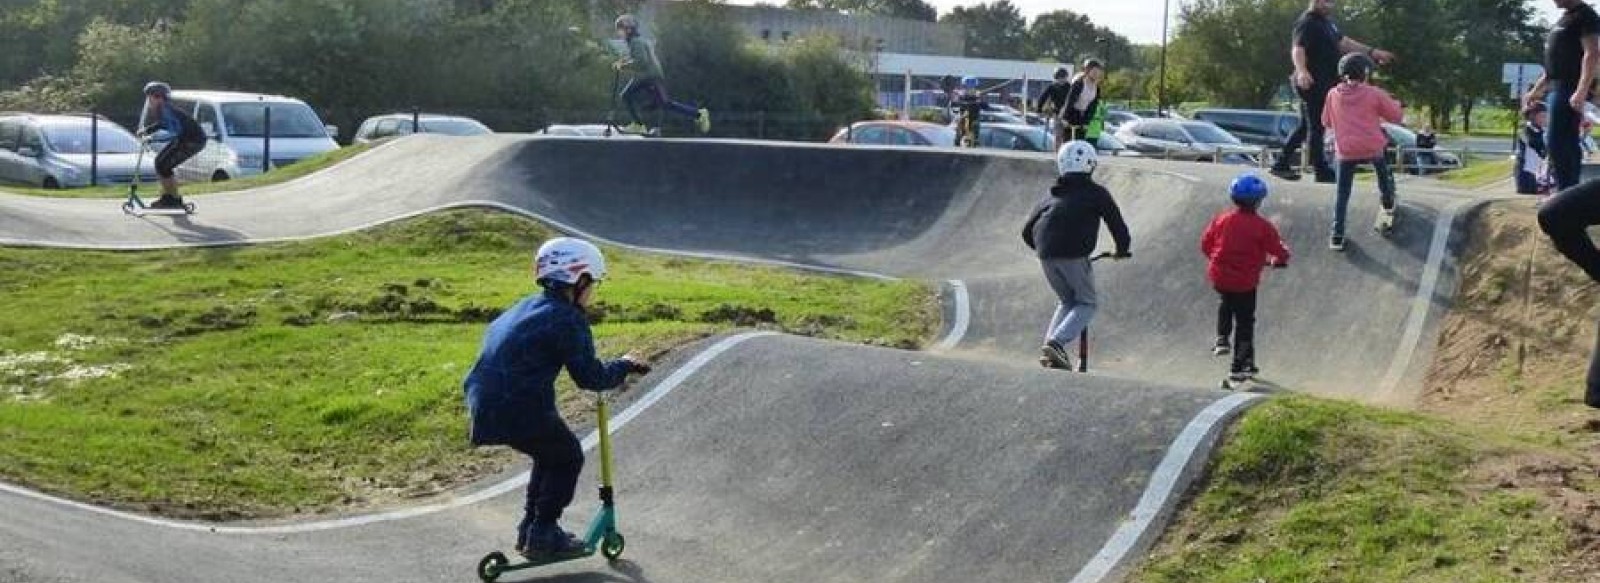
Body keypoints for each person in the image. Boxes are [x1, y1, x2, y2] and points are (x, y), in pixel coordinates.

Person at [462, 237, 652, 558]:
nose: (593, 292)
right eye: (592, 283)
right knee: (567, 457)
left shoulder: (525, 306)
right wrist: (625, 365)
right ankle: (543, 535)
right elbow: (591, 379)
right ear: (578, 280)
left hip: (484, 401)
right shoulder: (567, 318)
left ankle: (530, 530)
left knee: (549, 453)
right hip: (517, 404)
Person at [1021, 141, 1132, 370]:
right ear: (1091, 165)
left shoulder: (1051, 195)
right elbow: (1117, 225)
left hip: (1045, 255)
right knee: (1087, 303)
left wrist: (1045, 248)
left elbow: (1026, 230)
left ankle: (1049, 349)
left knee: (1067, 301)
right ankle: (1056, 343)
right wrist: (1122, 250)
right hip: (1073, 255)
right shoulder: (1097, 193)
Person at [1271, 0, 1395, 183]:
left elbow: (1344, 43)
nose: (1328, 5)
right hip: (1311, 81)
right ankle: (1320, 170)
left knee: (1307, 126)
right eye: (1324, 1)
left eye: (1331, 2)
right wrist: (1302, 71)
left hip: (1324, 81)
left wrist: (1372, 52)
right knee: (1316, 125)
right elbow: (1298, 49)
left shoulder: (1327, 23)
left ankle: (1281, 163)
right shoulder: (1308, 22)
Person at [1201, 174, 1291, 384]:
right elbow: (1278, 250)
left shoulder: (1221, 219)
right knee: (1245, 322)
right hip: (1245, 281)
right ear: (1259, 201)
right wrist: (1279, 258)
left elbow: (1205, 244)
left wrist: (1218, 259)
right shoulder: (1262, 226)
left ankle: (1222, 338)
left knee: (1225, 301)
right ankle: (1239, 366)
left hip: (1220, 275)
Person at [1321, 52, 1402, 251]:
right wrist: (1396, 104)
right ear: (1364, 72)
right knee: (1382, 169)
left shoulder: (1332, 94)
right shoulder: (1374, 93)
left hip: (1346, 150)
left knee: (1342, 192)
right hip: (1372, 146)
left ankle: (1337, 235)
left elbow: (1326, 121)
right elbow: (1396, 117)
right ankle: (1388, 201)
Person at [1525, 0, 1600, 190]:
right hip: (1555, 87)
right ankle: (1565, 189)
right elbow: (1553, 64)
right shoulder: (1564, 18)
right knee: (1556, 141)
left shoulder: (1586, 16)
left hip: (1570, 88)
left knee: (1559, 142)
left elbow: (1591, 54)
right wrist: (1536, 90)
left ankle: (1568, 190)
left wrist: (1581, 90)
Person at [614, 14, 711, 135]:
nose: (619, 33)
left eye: (620, 30)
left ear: (628, 30)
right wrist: (624, 61)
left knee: (626, 95)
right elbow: (640, 57)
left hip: (648, 77)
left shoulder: (635, 42)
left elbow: (642, 61)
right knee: (665, 103)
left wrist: (623, 66)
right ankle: (698, 114)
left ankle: (638, 125)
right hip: (651, 76)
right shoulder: (637, 41)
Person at [137, 81, 206, 210]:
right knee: (160, 163)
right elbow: (162, 124)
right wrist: (147, 130)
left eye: (150, 97)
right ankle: (168, 197)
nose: (149, 101)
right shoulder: (163, 109)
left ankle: (173, 199)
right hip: (184, 138)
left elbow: (174, 131)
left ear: (159, 97)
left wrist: (152, 138)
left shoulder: (166, 110)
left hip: (194, 140)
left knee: (164, 166)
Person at [1061, 59, 1104, 142]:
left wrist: (1087, 121)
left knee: (1080, 142)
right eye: (1094, 72)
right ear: (1087, 71)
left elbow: (1093, 106)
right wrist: (1065, 117)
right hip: (1071, 113)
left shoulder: (1097, 88)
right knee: (1068, 142)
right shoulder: (1079, 84)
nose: (1096, 74)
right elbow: (1070, 100)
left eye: (1098, 72)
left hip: (1083, 115)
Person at [1516, 103, 1553, 195]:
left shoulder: (1543, 131)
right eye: (1542, 116)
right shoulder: (1524, 130)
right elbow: (1535, 145)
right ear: (1532, 116)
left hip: (1539, 173)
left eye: (1546, 116)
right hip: (1526, 173)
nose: (1544, 119)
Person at [1035, 67, 1073, 147]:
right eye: (1060, 78)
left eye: (1064, 78)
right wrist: (1039, 110)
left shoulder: (1070, 87)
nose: (1062, 80)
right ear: (1056, 78)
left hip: (1068, 115)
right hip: (1057, 114)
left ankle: (1067, 152)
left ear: (1066, 77)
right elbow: (1042, 98)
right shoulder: (1052, 87)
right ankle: (1057, 152)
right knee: (1058, 135)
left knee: (1067, 137)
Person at [952, 75, 984, 147]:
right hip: (963, 114)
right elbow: (954, 102)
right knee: (959, 122)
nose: (969, 88)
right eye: (967, 86)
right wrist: (955, 102)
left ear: (975, 86)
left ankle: (976, 139)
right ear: (963, 86)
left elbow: (983, 104)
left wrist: (981, 103)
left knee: (976, 124)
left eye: (972, 86)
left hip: (974, 115)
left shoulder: (977, 93)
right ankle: (957, 138)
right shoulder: (960, 93)